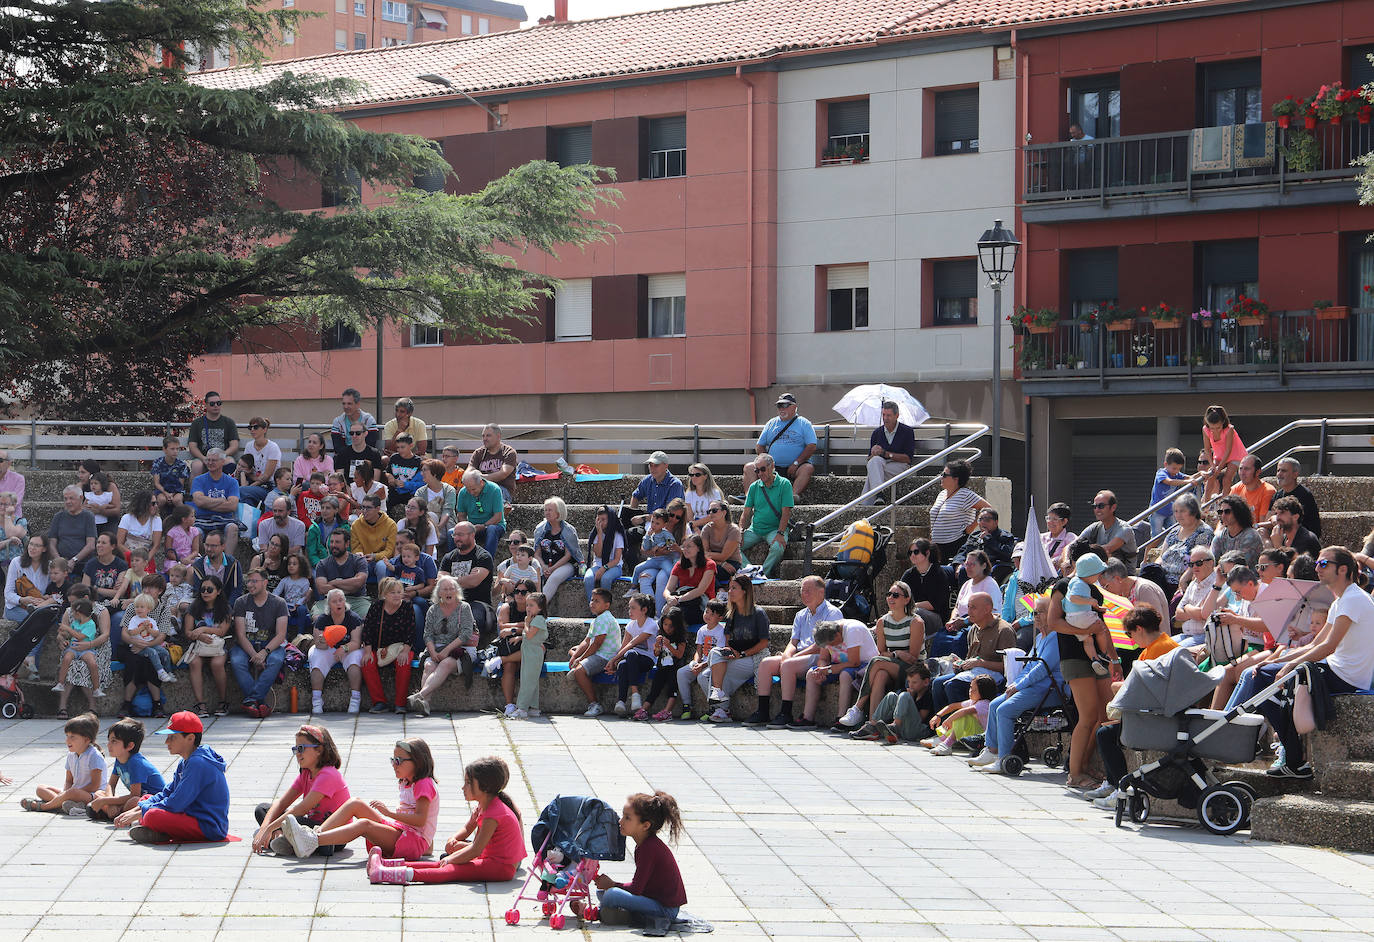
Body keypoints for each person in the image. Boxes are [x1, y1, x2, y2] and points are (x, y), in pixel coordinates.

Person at [1250, 547, 1374, 778]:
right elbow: (1314, 645)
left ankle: (1294, 758)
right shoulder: (1342, 601)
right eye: (1317, 563)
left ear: (1343, 569)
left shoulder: (1354, 599)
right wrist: (1275, 660)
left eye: (1324, 564)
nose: (1317, 568)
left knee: (1262, 681)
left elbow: (1328, 647)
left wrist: (1287, 666)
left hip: (1346, 676)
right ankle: (1293, 757)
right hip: (1335, 668)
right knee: (1260, 673)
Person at [370, 756, 524, 886]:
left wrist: (451, 859)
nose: (463, 787)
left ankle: (384, 874)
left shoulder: (493, 813)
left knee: (450, 870)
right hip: (492, 861)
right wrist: (452, 856)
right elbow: (470, 836)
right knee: (441, 864)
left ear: (485, 787)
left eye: (468, 783)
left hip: (501, 867)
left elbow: (476, 850)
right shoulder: (485, 806)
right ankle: (386, 864)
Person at [1084, 604, 1180, 808]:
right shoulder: (1157, 647)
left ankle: (1119, 788)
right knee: (1107, 731)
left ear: (1139, 629)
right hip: (1154, 712)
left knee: (1105, 734)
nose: (1130, 639)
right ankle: (1113, 783)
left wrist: (1117, 685)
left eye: (1130, 634)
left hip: (1158, 718)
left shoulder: (1160, 649)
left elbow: (1140, 687)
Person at [281, 738, 438, 860]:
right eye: (392, 760)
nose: (393, 765)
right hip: (403, 833)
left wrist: (389, 813)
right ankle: (313, 836)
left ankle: (312, 841)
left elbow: (420, 820)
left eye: (398, 761)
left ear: (417, 761)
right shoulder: (407, 781)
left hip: (411, 841)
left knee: (364, 825)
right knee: (355, 803)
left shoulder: (423, 784)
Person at [970, 596, 1065, 771]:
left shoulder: (1056, 638)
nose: (1035, 616)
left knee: (1004, 710)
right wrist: (1014, 684)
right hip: (1034, 688)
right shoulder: (1041, 637)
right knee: (995, 704)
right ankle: (992, 749)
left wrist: (1019, 686)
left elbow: (1042, 670)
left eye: (1039, 612)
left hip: (1049, 690)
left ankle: (1004, 757)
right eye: (1033, 612)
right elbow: (1029, 666)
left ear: (1052, 613)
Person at [1048, 558, 1119, 791]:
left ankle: (1084, 765)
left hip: (1098, 658)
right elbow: (1054, 622)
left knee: (1105, 716)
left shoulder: (1094, 591)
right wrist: (1085, 630)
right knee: (1088, 716)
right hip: (1074, 658)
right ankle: (1075, 773)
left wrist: (1114, 658)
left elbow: (1103, 624)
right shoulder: (1063, 585)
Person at [114, 710, 230, 845]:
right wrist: (140, 807)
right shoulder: (186, 761)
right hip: (191, 814)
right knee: (146, 799)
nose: (166, 742)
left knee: (152, 816)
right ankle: (158, 831)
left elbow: (176, 803)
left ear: (190, 738)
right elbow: (168, 792)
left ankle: (158, 830)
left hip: (208, 826)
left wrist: (142, 812)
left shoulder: (198, 763)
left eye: (172, 737)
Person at [745, 575, 841, 728]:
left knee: (788, 665)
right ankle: (762, 711)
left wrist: (792, 658)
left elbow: (821, 644)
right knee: (766, 664)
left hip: (820, 656)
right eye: (802, 591)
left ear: (821, 592)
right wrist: (787, 655)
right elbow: (793, 641)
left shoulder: (832, 613)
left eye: (808, 591)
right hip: (800, 655)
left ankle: (786, 712)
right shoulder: (800, 614)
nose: (804, 594)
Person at [594, 791, 687, 935]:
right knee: (602, 892)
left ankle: (615, 914)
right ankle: (619, 913)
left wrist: (612, 884)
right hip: (654, 899)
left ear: (645, 825)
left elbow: (636, 889)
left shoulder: (649, 848)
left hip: (666, 910)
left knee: (611, 894)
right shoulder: (644, 845)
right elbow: (640, 887)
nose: (620, 821)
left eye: (627, 818)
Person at [253, 723, 351, 857]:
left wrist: (270, 827)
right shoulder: (306, 773)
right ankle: (282, 839)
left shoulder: (328, 775)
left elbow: (302, 809)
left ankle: (285, 840)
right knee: (262, 809)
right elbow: (282, 803)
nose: (297, 754)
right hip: (310, 827)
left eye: (301, 748)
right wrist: (264, 829)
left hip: (333, 833)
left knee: (293, 820)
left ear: (319, 750)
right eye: (295, 749)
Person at [838, 580, 923, 731]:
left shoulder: (915, 622)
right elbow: (881, 652)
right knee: (880, 675)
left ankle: (858, 707)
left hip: (913, 669)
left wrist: (894, 654)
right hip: (890, 664)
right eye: (888, 594)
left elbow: (913, 658)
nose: (891, 598)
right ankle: (872, 724)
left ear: (907, 599)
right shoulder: (882, 622)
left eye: (896, 595)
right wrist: (897, 654)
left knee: (877, 662)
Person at [703, 574, 772, 723]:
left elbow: (763, 643)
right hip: (736, 655)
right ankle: (720, 700)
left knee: (716, 672)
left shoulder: (758, 613)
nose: (729, 591)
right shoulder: (731, 614)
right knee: (705, 671)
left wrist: (742, 654)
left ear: (745, 591)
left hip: (754, 656)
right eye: (729, 588)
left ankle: (722, 708)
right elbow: (728, 640)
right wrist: (730, 652)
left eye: (734, 588)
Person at [931, 592, 1016, 712]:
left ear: (987, 609)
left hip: (993, 680)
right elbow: (971, 659)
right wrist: (961, 664)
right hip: (973, 673)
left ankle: (966, 727)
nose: (969, 612)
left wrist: (979, 663)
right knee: (937, 684)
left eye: (973, 607)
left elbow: (1008, 667)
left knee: (952, 686)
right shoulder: (974, 629)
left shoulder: (1003, 630)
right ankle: (943, 726)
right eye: (968, 607)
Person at [408, 576, 477, 716]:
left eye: (452, 588)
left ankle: (420, 695)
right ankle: (425, 703)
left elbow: (465, 634)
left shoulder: (464, 607)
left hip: (461, 650)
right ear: (439, 593)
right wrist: (432, 652)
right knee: (428, 666)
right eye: (445, 589)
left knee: (445, 664)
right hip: (436, 648)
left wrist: (446, 650)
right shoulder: (433, 610)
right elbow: (427, 634)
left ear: (457, 591)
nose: (448, 592)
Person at [796, 619, 878, 730]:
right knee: (811, 674)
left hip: (863, 664)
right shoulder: (826, 633)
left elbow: (854, 662)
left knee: (845, 675)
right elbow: (823, 658)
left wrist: (829, 670)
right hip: (840, 664)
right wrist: (821, 670)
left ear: (838, 634)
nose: (832, 647)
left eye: (832, 644)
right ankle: (807, 718)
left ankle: (841, 718)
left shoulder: (853, 630)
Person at [230, 568, 290, 718]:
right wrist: (254, 655)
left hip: (271, 645)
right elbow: (240, 634)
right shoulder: (241, 602)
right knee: (237, 661)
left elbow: (281, 634)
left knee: (276, 659)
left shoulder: (279, 603)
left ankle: (252, 699)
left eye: (254, 581)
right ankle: (259, 701)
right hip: (246, 645)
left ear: (265, 582)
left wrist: (264, 653)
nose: (250, 584)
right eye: (248, 581)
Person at [20, 711, 105, 813]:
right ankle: (65, 805)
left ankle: (44, 807)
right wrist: (65, 792)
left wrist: (69, 793)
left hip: (92, 795)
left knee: (72, 793)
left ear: (86, 739)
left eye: (72, 737)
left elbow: (95, 785)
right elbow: (69, 780)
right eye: (67, 736)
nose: (67, 740)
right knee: (40, 788)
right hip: (73, 792)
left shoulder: (94, 756)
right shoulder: (71, 755)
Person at [87, 718, 167, 822]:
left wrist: (106, 801)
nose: (108, 744)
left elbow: (135, 795)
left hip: (151, 801)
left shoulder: (136, 763)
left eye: (114, 741)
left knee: (134, 801)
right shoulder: (120, 758)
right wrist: (109, 801)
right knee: (99, 793)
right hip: (135, 798)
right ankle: (114, 812)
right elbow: (111, 785)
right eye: (109, 740)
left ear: (129, 745)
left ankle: (116, 813)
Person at [744, 392, 816, 500]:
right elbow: (760, 445)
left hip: (796, 466)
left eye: (786, 405)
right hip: (772, 467)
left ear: (795, 407)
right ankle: (749, 498)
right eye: (779, 406)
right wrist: (766, 462)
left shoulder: (804, 423)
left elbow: (811, 446)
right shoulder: (771, 423)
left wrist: (796, 463)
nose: (782, 409)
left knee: (808, 468)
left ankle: (791, 496)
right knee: (749, 467)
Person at [361, 577, 416, 714]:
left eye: (399, 592)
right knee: (367, 662)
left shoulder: (407, 607)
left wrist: (405, 651)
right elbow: (367, 630)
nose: (397, 595)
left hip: (402, 647)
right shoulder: (376, 607)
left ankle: (400, 704)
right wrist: (367, 651)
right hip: (379, 648)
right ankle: (379, 702)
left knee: (404, 661)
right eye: (393, 592)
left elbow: (411, 631)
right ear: (384, 594)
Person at [307, 589, 365, 715]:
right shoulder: (322, 620)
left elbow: (356, 642)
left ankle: (355, 698)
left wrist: (343, 648)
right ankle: (316, 700)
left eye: (341, 600)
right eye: (334, 601)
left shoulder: (354, 619)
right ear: (329, 605)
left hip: (348, 648)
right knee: (317, 660)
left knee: (354, 662)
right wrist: (323, 640)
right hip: (328, 648)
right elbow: (318, 644)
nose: (339, 604)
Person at [568, 588, 622, 717]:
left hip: (605, 657)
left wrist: (580, 659)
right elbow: (586, 641)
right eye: (592, 600)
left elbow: (596, 644)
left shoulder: (604, 619)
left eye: (597, 601)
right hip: (598, 653)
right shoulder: (597, 620)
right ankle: (579, 662)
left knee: (579, 672)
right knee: (573, 650)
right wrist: (576, 655)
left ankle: (595, 704)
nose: (592, 603)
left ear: (607, 605)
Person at [185, 575, 232, 718]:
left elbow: (222, 631)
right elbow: (187, 632)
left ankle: (222, 701)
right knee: (194, 662)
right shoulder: (194, 607)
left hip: (218, 645)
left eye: (209, 589)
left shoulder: (225, 608)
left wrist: (203, 629)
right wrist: (199, 635)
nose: (205, 592)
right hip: (199, 645)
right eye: (203, 589)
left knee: (217, 664)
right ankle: (201, 704)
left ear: (218, 591)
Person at [738, 454, 792, 577]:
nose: (760, 473)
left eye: (763, 469)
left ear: (772, 466)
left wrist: (780, 533)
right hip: (755, 529)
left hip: (775, 529)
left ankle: (762, 575)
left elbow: (786, 512)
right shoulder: (754, 487)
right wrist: (740, 530)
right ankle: (749, 572)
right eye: (757, 470)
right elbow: (745, 513)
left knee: (778, 548)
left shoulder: (784, 484)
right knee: (732, 545)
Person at [607, 593, 659, 717]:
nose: (629, 611)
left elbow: (631, 644)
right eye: (629, 607)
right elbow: (623, 646)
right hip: (632, 659)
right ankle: (621, 701)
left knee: (630, 654)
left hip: (647, 659)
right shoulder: (631, 625)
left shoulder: (651, 624)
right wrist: (615, 663)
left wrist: (613, 659)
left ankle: (635, 694)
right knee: (623, 664)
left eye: (633, 608)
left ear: (644, 610)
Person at [929, 459, 991, 562]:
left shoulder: (965, 494)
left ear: (955, 479)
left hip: (955, 544)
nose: (941, 477)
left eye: (944, 475)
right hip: (937, 546)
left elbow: (988, 509)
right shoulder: (942, 494)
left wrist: (970, 528)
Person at [860, 661, 935, 744]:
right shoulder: (913, 692)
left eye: (914, 682)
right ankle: (872, 726)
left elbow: (921, 718)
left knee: (904, 695)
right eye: (909, 682)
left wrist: (911, 698)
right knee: (891, 696)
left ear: (926, 682)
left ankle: (895, 726)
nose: (910, 685)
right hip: (905, 729)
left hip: (917, 731)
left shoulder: (928, 695)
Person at [920, 674, 996, 756]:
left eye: (974, 690)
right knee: (960, 714)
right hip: (974, 733)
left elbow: (963, 712)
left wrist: (949, 720)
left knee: (964, 715)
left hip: (981, 737)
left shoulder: (985, 704)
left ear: (984, 692)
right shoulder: (973, 701)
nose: (970, 691)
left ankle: (946, 744)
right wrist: (938, 715)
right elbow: (953, 706)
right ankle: (943, 739)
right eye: (970, 687)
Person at [1070, 490, 1137, 574]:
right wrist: (1066, 560)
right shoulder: (1095, 527)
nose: (1097, 509)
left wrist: (1079, 552)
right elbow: (1071, 545)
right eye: (1094, 506)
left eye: (1101, 506)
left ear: (1113, 507)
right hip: (1100, 575)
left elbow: (1106, 550)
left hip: (1122, 578)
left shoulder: (1125, 529)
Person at [1157, 494, 1213, 593]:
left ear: (1194, 512)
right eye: (1176, 511)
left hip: (1184, 583)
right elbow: (1161, 556)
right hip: (1162, 580)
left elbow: (1199, 561)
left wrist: (1183, 580)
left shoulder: (1204, 532)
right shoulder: (1174, 531)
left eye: (1182, 511)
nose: (1178, 515)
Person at [532, 497, 580, 611]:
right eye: (546, 510)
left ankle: (538, 608)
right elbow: (536, 553)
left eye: (550, 510)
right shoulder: (540, 529)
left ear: (559, 513)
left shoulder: (569, 530)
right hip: (543, 563)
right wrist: (544, 567)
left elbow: (568, 555)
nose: (547, 512)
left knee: (554, 577)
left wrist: (552, 568)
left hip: (565, 565)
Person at [191, 449, 241, 556]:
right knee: (196, 532)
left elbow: (232, 506)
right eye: (208, 460)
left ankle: (228, 561)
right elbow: (198, 502)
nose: (210, 463)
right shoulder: (198, 480)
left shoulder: (232, 482)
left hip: (225, 519)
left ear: (223, 462)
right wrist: (221, 500)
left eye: (214, 460)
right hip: (202, 519)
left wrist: (207, 503)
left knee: (233, 528)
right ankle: (203, 562)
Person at [864, 400, 917, 501]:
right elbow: (869, 460)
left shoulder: (907, 431)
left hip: (900, 466)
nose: (885, 418)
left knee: (874, 473)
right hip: (881, 465)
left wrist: (886, 454)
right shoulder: (877, 433)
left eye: (888, 415)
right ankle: (879, 495)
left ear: (896, 416)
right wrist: (874, 453)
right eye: (883, 415)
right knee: (875, 462)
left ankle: (865, 505)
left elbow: (908, 459)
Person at [945, 507, 1016, 582]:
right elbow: (962, 552)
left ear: (996, 522)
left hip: (989, 569)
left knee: (964, 570)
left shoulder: (1005, 536)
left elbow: (1007, 554)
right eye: (980, 519)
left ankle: (965, 593)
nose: (982, 522)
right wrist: (958, 564)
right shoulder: (974, 535)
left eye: (987, 520)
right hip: (968, 565)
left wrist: (989, 539)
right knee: (941, 570)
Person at [899, 537, 951, 636]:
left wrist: (910, 605)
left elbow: (934, 604)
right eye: (910, 553)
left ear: (927, 553)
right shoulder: (909, 574)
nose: (912, 555)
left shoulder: (938, 574)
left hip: (936, 619)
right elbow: (898, 593)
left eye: (916, 552)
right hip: (911, 612)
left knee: (915, 613)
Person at [313, 528, 370, 618]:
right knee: (317, 617)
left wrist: (334, 582)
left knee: (368, 616)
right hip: (330, 600)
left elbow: (359, 582)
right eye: (332, 542)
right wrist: (350, 587)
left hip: (357, 600)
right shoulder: (322, 564)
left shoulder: (359, 561)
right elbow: (322, 589)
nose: (333, 545)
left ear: (347, 544)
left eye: (337, 542)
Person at [662, 534, 716, 627]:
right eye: (683, 547)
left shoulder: (710, 565)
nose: (685, 549)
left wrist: (679, 599)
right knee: (667, 617)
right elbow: (668, 589)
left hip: (702, 605)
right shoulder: (679, 565)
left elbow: (700, 590)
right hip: (683, 602)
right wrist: (669, 598)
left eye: (689, 546)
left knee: (677, 616)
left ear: (699, 548)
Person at [510, 591, 549, 719]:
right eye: (527, 605)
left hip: (533, 654)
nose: (528, 608)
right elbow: (529, 636)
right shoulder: (535, 619)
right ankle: (534, 707)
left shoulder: (537, 619)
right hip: (529, 652)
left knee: (527, 681)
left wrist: (526, 622)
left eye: (531, 605)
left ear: (540, 607)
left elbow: (530, 634)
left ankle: (522, 708)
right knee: (531, 680)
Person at [439, 520, 494, 609]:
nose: (456, 538)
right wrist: (465, 579)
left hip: (477, 603)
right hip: (452, 602)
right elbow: (440, 580)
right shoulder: (448, 557)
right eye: (455, 535)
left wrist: (448, 579)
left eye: (460, 535)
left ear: (472, 535)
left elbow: (473, 582)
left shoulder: (483, 557)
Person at [454, 467, 505, 557]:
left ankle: (486, 562)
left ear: (481, 482)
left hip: (493, 525)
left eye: (473, 489)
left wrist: (483, 526)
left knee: (491, 529)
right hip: (472, 527)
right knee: (452, 533)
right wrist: (467, 527)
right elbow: (461, 514)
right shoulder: (463, 492)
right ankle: (454, 562)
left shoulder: (494, 489)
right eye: (468, 489)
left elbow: (498, 517)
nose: (471, 492)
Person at [186, 393, 240, 476]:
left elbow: (234, 445)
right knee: (197, 466)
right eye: (212, 404)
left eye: (218, 403)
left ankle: (226, 488)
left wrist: (222, 456)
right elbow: (192, 446)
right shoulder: (197, 423)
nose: (216, 406)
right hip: (203, 457)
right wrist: (203, 458)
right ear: (206, 405)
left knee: (230, 462)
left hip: (222, 457)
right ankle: (195, 489)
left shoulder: (229, 422)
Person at [1200, 404, 1245, 502]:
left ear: (1223, 423)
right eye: (1212, 428)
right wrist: (1212, 465)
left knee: (1226, 479)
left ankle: (1224, 503)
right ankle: (1205, 504)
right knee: (1211, 477)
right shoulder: (1205, 430)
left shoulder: (1229, 429)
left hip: (1235, 455)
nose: (1215, 430)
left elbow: (1229, 450)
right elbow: (1207, 449)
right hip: (1219, 455)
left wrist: (1219, 468)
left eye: (1218, 427)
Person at [48, 484, 97, 573]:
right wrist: (59, 560)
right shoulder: (58, 517)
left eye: (71, 498)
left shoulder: (88, 516)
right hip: (61, 564)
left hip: (83, 563)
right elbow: (52, 543)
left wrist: (74, 560)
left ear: (81, 498)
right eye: (65, 499)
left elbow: (91, 545)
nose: (68, 502)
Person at [947, 550, 1002, 630]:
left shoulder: (990, 584)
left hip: (979, 627)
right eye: (966, 564)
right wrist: (952, 620)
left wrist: (964, 622)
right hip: (960, 625)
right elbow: (957, 607)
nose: (968, 568)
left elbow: (990, 613)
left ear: (984, 566)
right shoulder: (966, 584)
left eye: (972, 564)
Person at [351, 494, 397, 586]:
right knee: (358, 565)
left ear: (378, 508)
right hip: (365, 560)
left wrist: (375, 556)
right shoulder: (356, 525)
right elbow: (355, 547)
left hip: (383, 560)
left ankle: (383, 596)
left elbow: (390, 551)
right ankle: (359, 596)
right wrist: (359, 553)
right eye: (362, 507)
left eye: (368, 508)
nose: (364, 511)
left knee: (381, 566)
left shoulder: (390, 525)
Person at [1149, 448, 1196, 536]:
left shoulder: (1177, 474)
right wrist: (1186, 482)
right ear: (1166, 464)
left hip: (1170, 511)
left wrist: (1201, 473)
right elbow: (1169, 481)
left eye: (1179, 469)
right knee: (1156, 535)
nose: (1177, 471)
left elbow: (1190, 477)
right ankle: (1150, 549)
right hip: (1157, 511)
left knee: (1174, 533)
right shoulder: (1161, 473)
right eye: (1174, 468)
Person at [583, 504, 626, 601]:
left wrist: (604, 568)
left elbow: (616, 559)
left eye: (603, 519)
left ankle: (604, 608)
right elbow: (598, 554)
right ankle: (593, 608)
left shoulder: (618, 535)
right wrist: (599, 533)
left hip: (614, 566)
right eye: (599, 519)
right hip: (597, 564)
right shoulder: (596, 534)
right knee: (588, 578)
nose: (601, 522)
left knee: (606, 578)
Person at [236, 417, 281, 507]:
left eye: (256, 427)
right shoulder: (249, 445)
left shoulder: (273, 447)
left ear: (264, 429)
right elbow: (245, 468)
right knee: (246, 497)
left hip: (268, 486)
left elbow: (266, 476)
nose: (252, 430)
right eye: (250, 427)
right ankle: (248, 520)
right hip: (252, 482)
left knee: (242, 491)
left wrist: (249, 486)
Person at [1273, 456, 1322, 539]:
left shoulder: (1304, 495)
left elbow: (1292, 523)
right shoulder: (1278, 494)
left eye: (1283, 471)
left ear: (1295, 474)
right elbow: (1269, 516)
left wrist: (1274, 519)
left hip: (1302, 539)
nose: (1279, 474)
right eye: (1278, 470)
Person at [1211, 494, 1263, 569]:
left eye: (1227, 512)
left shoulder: (1251, 536)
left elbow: (1239, 565)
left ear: (1238, 512)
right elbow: (1212, 561)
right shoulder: (1220, 536)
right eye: (1220, 512)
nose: (1223, 515)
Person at [192, 529, 243, 605]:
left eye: (213, 546)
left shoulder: (233, 564)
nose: (209, 549)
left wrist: (227, 609)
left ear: (223, 546)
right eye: (207, 545)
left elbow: (236, 590)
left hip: (227, 605)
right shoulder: (198, 565)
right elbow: (197, 591)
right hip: (205, 605)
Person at [467, 423, 518, 499]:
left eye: (488, 435)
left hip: (502, 489)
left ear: (498, 436)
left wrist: (480, 478)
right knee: (465, 492)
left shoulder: (509, 452)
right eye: (483, 436)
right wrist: (471, 478)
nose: (484, 439)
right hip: (480, 487)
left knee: (491, 492)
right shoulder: (478, 453)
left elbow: (503, 473)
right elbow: (469, 471)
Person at [699, 499, 742, 586]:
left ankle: (720, 591)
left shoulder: (733, 530)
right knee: (701, 568)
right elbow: (703, 553)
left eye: (714, 510)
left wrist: (721, 561)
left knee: (705, 570)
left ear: (724, 512)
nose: (711, 513)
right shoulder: (707, 529)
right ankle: (720, 590)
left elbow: (723, 556)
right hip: (715, 562)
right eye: (709, 511)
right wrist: (721, 563)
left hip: (731, 563)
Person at [418, 459, 458, 553]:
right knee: (431, 516)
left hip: (444, 526)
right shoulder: (420, 492)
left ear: (434, 473)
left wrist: (438, 528)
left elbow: (447, 511)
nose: (421, 473)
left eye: (424, 470)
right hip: (426, 526)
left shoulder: (449, 490)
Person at [382, 432, 426, 516]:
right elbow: (387, 472)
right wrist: (389, 476)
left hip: (409, 496)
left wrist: (405, 485)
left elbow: (422, 483)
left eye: (402, 447)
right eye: (398, 447)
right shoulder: (394, 458)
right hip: (393, 494)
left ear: (411, 445)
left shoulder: (418, 462)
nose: (399, 450)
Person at [329, 387, 378, 457]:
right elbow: (337, 447)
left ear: (358, 404)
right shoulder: (338, 422)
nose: (346, 407)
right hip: (345, 457)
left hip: (365, 457)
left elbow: (371, 444)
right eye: (344, 403)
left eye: (349, 404)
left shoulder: (368, 420)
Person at [116, 490, 163, 563]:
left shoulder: (156, 520)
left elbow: (156, 546)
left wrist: (145, 561)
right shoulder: (127, 518)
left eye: (156, 503)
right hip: (127, 556)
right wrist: (134, 558)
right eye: (153, 503)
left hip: (145, 558)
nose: (156, 506)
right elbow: (119, 543)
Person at [1229, 454, 1276, 525]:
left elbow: (1262, 523)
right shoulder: (1236, 488)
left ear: (1258, 472)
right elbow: (1226, 514)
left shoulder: (1268, 491)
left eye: (1247, 469)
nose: (1242, 473)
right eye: (1241, 468)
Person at [305, 496, 349, 568]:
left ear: (336, 510)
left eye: (328, 508)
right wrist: (320, 565)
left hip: (340, 564)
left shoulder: (344, 527)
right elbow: (311, 552)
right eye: (322, 508)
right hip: (319, 564)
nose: (324, 511)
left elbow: (347, 549)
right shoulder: (314, 528)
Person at [341, 425, 385, 489]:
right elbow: (340, 477)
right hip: (348, 490)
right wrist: (349, 491)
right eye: (351, 433)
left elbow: (375, 479)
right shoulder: (343, 453)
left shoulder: (374, 453)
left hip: (369, 491)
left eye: (358, 433)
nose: (354, 436)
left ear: (365, 433)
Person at [683, 462, 724, 529]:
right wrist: (696, 529)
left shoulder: (714, 493)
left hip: (712, 524)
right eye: (691, 475)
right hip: (694, 526)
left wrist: (694, 524)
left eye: (697, 475)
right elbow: (689, 516)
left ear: (705, 476)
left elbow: (713, 515)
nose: (694, 477)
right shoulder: (689, 493)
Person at [1042, 502, 1077, 571]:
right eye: (1048, 518)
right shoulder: (1041, 537)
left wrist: (1055, 561)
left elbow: (1072, 556)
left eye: (1055, 519)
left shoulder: (1071, 538)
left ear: (1064, 521)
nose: (1050, 522)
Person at [0, 449, 26, 517]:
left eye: (0, 460)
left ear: (9, 463)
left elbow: (15, 502)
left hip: (11, 521)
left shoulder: (18, 479)